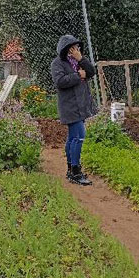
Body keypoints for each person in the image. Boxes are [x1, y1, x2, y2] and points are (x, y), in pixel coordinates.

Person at [50, 34, 96, 186]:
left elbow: (91, 71)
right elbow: (60, 81)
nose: (75, 49)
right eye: (72, 47)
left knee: (72, 137)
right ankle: (75, 172)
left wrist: (81, 59)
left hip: (81, 105)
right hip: (69, 106)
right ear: (65, 49)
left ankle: (71, 169)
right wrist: (78, 75)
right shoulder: (57, 63)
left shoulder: (78, 61)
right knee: (79, 136)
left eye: (77, 47)